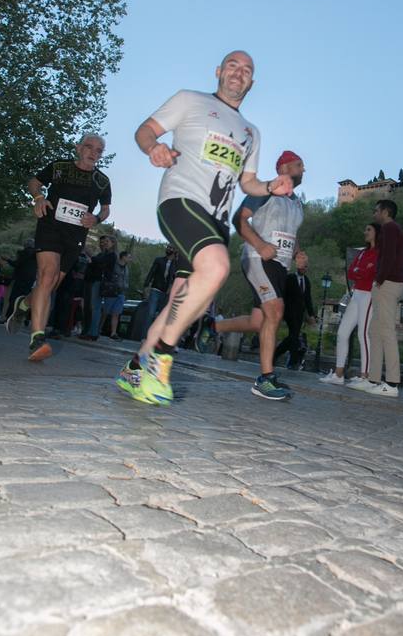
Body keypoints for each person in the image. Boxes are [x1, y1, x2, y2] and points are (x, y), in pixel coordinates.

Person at [115, 50, 293, 404]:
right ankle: (161, 357)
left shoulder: (251, 132)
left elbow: (249, 183)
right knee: (216, 267)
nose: (238, 73)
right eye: (232, 65)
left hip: (216, 221)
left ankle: (136, 367)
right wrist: (154, 148)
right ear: (218, 71)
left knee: (188, 297)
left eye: (246, 70)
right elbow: (144, 131)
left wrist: (271, 186)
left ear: (252, 83)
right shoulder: (190, 100)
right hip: (181, 202)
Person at [199, 150, 306, 400]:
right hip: (258, 258)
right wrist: (259, 245)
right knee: (276, 311)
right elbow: (240, 220)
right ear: (284, 168)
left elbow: (291, 233)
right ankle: (265, 379)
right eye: (299, 165)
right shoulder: (265, 190)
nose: (304, 169)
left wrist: (299, 254)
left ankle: (212, 325)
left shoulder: (297, 202)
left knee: (260, 321)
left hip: (280, 265)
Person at [5, 134, 111, 361]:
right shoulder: (59, 167)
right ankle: (37, 340)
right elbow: (34, 182)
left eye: (99, 150)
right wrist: (38, 198)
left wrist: (96, 219)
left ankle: (23, 304)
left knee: (50, 285)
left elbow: (105, 209)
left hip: (75, 237)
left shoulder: (102, 181)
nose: (93, 152)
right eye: (89, 147)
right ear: (78, 148)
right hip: (50, 228)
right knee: (47, 276)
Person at [349, 200, 403, 397]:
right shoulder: (390, 230)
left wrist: (379, 279)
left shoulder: (390, 228)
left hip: (388, 283)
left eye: (376, 211)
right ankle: (373, 380)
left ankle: (392, 383)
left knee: (386, 331)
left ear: (385, 211)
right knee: (374, 331)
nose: (374, 214)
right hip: (387, 283)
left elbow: (388, 256)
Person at [320, 223, 379, 385]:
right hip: (356, 294)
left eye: (368, 229)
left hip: (369, 295)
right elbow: (352, 271)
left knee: (363, 334)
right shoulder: (362, 253)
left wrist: (361, 271)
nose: (365, 232)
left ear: (377, 233)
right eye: (365, 228)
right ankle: (338, 375)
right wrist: (362, 271)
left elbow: (370, 272)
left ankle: (365, 377)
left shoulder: (379, 253)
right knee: (342, 332)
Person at [273, 251, 316, 369]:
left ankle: (277, 355)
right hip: (289, 312)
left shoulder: (306, 281)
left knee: (293, 336)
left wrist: (311, 315)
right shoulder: (290, 278)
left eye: (305, 267)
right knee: (294, 335)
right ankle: (292, 361)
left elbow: (308, 298)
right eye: (301, 266)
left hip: (300, 314)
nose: (303, 269)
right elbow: (283, 294)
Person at [79, 235, 117, 340]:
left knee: (95, 307)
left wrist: (89, 254)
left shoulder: (111, 255)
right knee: (90, 307)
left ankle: (93, 333)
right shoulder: (102, 254)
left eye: (107, 241)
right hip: (92, 281)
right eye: (103, 241)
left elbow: (98, 262)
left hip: (98, 282)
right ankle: (88, 331)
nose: (104, 243)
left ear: (113, 243)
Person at [100, 250, 131, 339]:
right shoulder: (114, 265)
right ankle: (98, 329)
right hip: (112, 292)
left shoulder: (126, 268)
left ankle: (113, 333)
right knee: (105, 312)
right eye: (129, 257)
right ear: (123, 257)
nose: (130, 259)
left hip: (121, 293)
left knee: (116, 313)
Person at [143, 245, 177, 327]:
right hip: (156, 289)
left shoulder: (176, 264)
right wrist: (146, 286)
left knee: (160, 316)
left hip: (166, 293)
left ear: (175, 251)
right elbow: (151, 273)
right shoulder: (159, 260)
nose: (168, 248)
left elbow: (175, 278)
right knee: (151, 313)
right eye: (168, 247)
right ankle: (145, 337)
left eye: (171, 247)